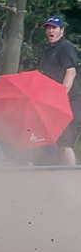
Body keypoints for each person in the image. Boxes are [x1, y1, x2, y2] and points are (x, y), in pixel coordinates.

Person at [38, 16, 81, 165]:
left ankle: (73, 179)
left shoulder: (65, 47)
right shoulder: (50, 50)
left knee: (66, 142)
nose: (50, 30)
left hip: (69, 100)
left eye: (54, 28)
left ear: (61, 31)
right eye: (48, 28)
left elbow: (71, 72)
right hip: (55, 101)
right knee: (56, 140)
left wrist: (62, 94)